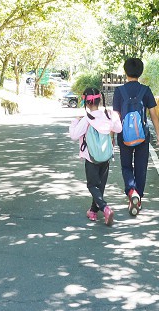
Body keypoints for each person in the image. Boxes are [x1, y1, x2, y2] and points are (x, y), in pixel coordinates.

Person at [112, 57, 159, 216]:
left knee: (126, 166)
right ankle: (138, 196)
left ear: (125, 72)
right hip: (143, 135)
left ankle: (131, 191)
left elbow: (116, 116)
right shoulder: (145, 90)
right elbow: (154, 115)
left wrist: (112, 137)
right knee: (141, 168)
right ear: (140, 72)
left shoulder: (119, 91)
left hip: (124, 135)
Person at [68, 87, 123, 225]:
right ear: (100, 100)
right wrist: (114, 117)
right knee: (101, 185)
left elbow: (74, 136)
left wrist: (75, 121)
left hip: (91, 157)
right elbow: (119, 129)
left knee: (92, 185)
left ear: (86, 102)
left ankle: (105, 208)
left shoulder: (86, 119)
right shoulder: (108, 115)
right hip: (106, 156)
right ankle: (93, 212)